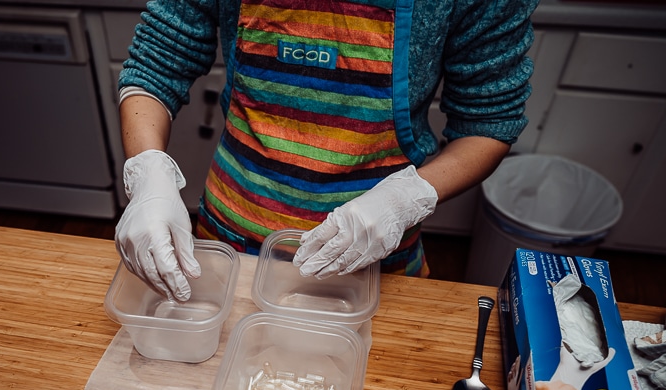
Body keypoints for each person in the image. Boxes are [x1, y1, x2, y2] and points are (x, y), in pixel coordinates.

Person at [116, 0, 538, 302]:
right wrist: (149, 174)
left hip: (372, 260)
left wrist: (405, 200)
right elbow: (156, 64)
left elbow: (487, 124)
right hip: (228, 240)